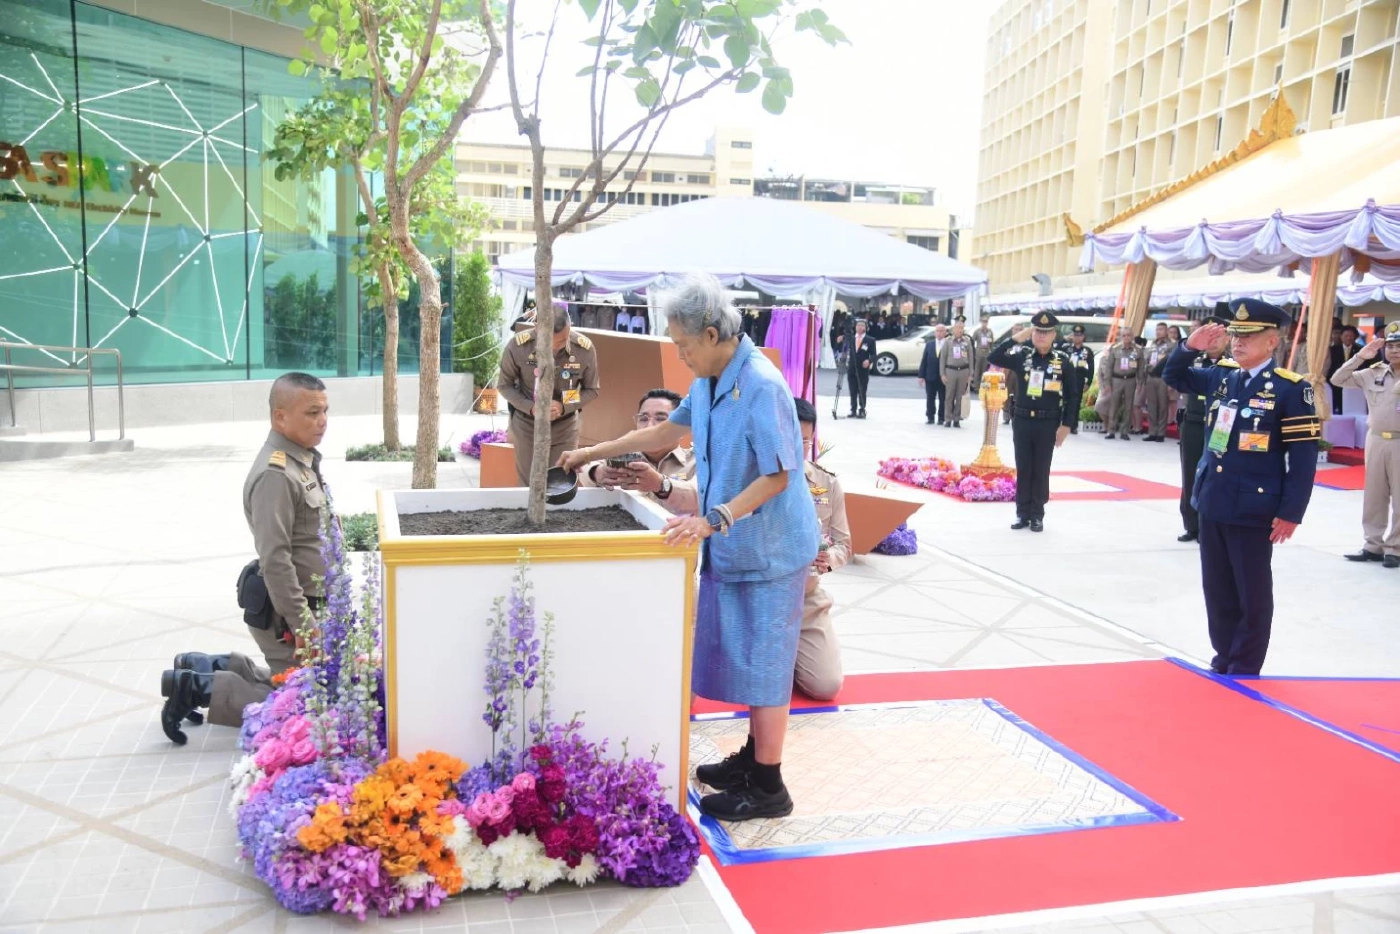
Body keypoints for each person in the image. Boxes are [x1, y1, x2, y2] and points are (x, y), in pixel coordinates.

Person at [559, 273, 820, 822]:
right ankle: (754, 758)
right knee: (748, 658)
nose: (679, 356)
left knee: (767, 665)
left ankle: (769, 786)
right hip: (737, 545)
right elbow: (661, 436)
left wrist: (712, 519)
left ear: (710, 332)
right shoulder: (710, 378)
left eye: (682, 344)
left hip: (771, 548)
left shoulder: (761, 385)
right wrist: (590, 452)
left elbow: (778, 476)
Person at [160, 373, 330, 744]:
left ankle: (207, 668)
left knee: (306, 686)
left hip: (301, 604)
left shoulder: (298, 462)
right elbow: (276, 558)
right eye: (312, 412)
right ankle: (195, 689)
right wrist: (303, 624)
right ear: (280, 417)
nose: (323, 421)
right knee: (300, 710)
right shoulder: (277, 474)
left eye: (325, 411)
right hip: (287, 610)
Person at [1162, 300, 1319, 675]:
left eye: (1248, 337)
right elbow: (1173, 376)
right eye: (1235, 335)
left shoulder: (1289, 390)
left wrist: (1291, 512)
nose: (1238, 343)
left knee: (1252, 592)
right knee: (1217, 588)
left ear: (1272, 342)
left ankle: (1245, 664)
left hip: (1254, 507)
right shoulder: (1223, 377)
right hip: (1213, 498)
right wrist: (1189, 347)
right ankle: (1223, 655)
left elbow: (1303, 458)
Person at [988, 312, 1080, 532]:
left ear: (1054, 335)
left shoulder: (1062, 361)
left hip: (1047, 422)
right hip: (1022, 420)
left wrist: (1066, 426)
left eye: (1046, 332)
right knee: (1024, 467)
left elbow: (1073, 395)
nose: (1041, 336)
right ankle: (1022, 513)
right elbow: (994, 356)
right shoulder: (1023, 356)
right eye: (1038, 331)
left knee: (1041, 468)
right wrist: (1018, 337)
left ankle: (1037, 515)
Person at [498, 302, 600, 485]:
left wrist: (564, 406)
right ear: (536, 328)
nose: (554, 348)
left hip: (565, 428)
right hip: (527, 425)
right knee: (529, 485)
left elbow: (591, 389)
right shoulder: (518, 346)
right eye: (548, 342)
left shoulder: (584, 349)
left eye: (561, 341)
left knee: (560, 483)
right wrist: (531, 408)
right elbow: (504, 385)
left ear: (570, 327)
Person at [1331, 322, 1400, 568]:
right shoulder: (1375, 372)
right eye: (1390, 346)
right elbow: (1338, 379)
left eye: (1399, 346)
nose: (1394, 351)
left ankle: (1395, 548)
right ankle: (1373, 545)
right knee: (1374, 495)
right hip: (1377, 438)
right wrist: (1361, 356)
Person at [793, 398, 848, 701]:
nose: (797, 446)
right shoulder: (750, 481)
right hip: (759, 596)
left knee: (826, 687)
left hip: (807, 598)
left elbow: (844, 542)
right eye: (789, 437)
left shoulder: (825, 483)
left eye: (804, 440)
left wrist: (827, 561)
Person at [578, 388, 697, 513]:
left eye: (661, 419)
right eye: (643, 419)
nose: (649, 427)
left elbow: (699, 496)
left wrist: (660, 484)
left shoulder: (696, 462)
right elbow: (585, 469)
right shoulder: (622, 458)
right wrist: (597, 473)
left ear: (682, 428)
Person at [1175, 313, 1234, 543]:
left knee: (1215, 475)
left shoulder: (1234, 365)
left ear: (1228, 338)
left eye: (1218, 335)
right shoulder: (1192, 359)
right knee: (1190, 474)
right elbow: (1162, 371)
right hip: (1193, 423)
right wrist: (1189, 346)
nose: (1213, 341)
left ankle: (1210, 525)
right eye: (1209, 335)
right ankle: (1191, 526)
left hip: (1221, 426)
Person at [1102, 329, 1144, 440]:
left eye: (1129, 335)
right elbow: (1109, 367)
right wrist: (1107, 383)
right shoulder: (1115, 348)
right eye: (1124, 335)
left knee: (1129, 406)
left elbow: (1140, 368)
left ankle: (1124, 431)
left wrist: (1140, 382)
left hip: (1130, 380)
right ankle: (1111, 430)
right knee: (1114, 405)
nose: (1126, 337)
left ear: (1132, 336)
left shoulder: (1138, 350)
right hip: (1117, 379)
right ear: (1121, 336)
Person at [939, 316, 975, 427]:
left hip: (963, 371)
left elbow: (971, 358)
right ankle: (947, 418)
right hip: (951, 371)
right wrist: (942, 373)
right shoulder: (948, 342)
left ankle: (957, 418)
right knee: (949, 396)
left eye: (961, 328)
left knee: (960, 396)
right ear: (953, 330)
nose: (960, 330)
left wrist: (971, 373)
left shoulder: (967, 342)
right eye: (958, 328)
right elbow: (943, 358)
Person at [1141, 322, 1173, 441]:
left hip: (1163, 378)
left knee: (1163, 406)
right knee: (1152, 406)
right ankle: (1152, 432)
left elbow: (1171, 362)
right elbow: (1146, 359)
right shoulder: (1153, 344)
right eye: (1157, 329)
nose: (1158, 332)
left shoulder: (1171, 345)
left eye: (1161, 329)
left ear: (1166, 331)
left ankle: (1160, 433)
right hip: (1151, 377)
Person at [1064, 324, 1096, 434]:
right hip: (1066, 378)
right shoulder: (1066, 348)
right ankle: (1062, 423)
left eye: (1080, 335)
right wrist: (1064, 339)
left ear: (1083, 336)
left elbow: (1091, 367)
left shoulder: (1087, 351)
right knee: (1063, 401)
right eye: (1075, 335)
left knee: (1076, 402)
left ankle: (1073, 425)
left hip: (1079, 378)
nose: (1077, 337)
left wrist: (1089, 382)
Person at [1328, 325, 1365, 413]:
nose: (1349, 338)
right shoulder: (1332, 350)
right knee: (1334, 405)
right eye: (1346, 336)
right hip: (1335, 382)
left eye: (1351, 336)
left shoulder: (1361, 350)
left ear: (1355, 337)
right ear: (1341, 336)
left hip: (1353, 383)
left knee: (1350, 407)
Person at [847, 318, 876, 419]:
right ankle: (853, 409)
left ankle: (862, 409)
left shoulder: (870, 340)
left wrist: (869, 360)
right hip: (851, 368)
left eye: (862, 325)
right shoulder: (851, 338)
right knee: (852, 390)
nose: (860, 327)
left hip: (863, 370)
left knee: (862, 390)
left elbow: (873, 354)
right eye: (858, 325)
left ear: (866, 327)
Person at [917, 326, 945, 425]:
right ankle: (930, 417)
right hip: (930, 375)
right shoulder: (930, 344)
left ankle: (941, 417)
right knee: (930, 398)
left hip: (943, 377)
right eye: (937, 331)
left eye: (941, 331)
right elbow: (924, 360)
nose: (939, 333)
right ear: (935, 333)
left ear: (945, 332)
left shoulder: (948, 345)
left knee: (943, 398)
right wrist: (921, 376)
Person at [972, 313, 996, 387]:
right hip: (979, 351)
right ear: (981, 322)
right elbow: (972, 340)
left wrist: (991, 351)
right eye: (983, 322)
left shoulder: (990, 331)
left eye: (986, 322)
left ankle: (983, 384)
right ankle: (976, 385)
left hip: (986, 351)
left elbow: (992, 342)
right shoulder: (977, 331)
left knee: (984, 369)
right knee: (977, 369)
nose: (984, 323)